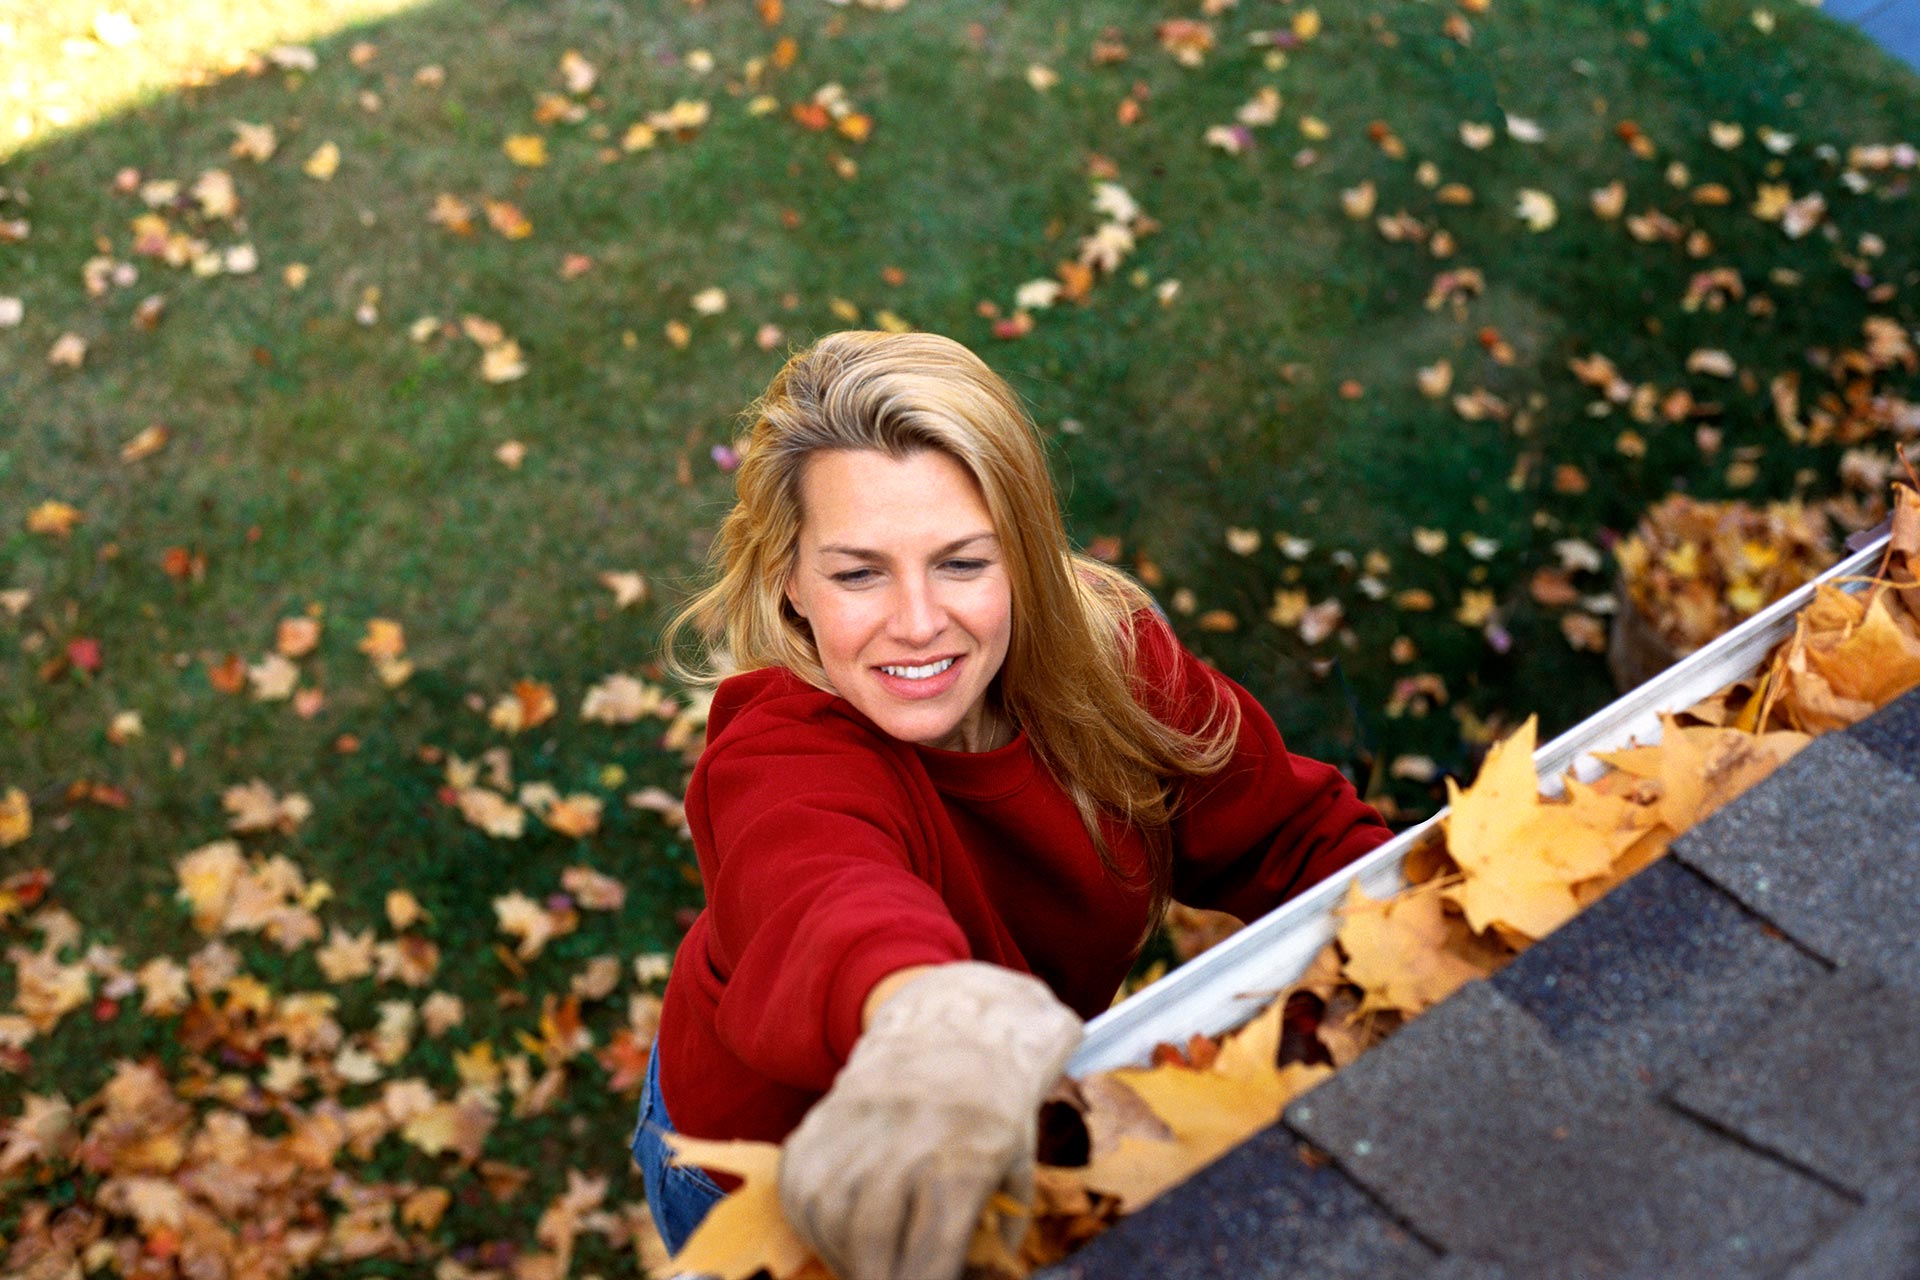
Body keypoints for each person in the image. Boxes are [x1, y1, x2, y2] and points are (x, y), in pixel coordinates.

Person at [632, 331, 1392, 1279]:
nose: (916, 622)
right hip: (773, 1172)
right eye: (858, 572)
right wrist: (941, 1022)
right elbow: (821, 894)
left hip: (998, 1126)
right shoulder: (780, 750)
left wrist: (1420, 944)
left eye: (961, 562)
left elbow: (1297, 834)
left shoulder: (1112, 668)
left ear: (1025, 557)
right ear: (789, 580)